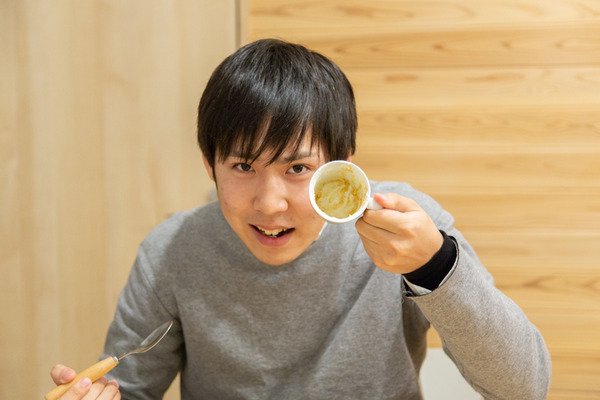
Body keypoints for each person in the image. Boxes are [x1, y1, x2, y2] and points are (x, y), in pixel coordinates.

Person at [50, 38, 551, 399]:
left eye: (297, 168)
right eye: (243, 166)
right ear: (210, 165)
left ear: (343, 165)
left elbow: (524, 387)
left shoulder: (404, 226)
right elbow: (131, 388)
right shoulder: (172, 252)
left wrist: (435, 266)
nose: (270, 204)